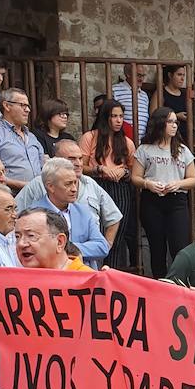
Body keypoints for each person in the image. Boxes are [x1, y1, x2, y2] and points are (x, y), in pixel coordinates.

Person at [131, 106, 195, 277]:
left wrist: (178, 184)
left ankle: (179, 282)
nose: (174, 126)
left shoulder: (183, 150)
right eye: (170, 122)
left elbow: (193, 179)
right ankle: (159, 282)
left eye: (176, 122)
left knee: (180, 245)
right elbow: (135, 177)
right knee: (156, 247)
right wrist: (148, 184)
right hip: (152, 200)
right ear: (160, 123)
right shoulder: (145, 149)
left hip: (177, 200)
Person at [80, 99, 138, 267]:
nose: (119, 120)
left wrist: (124, 172)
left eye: (121, 116)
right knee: (95, 231)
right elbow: (80, 166)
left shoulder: (127, 142)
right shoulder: (89, 137)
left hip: (120, 188)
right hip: (96, 184)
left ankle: (111, 273)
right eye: (114, 116)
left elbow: (133, 171)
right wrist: (100, 169)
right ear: (105, 117)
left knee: (117, 234)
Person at [30, 157, 111, 267]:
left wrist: (68, 248)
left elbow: (102, 247)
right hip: (49, 278)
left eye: (75, 183)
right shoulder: (33, 215)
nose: (74, 189)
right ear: (50, 187)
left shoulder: (83, 211)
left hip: (84, 278)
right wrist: (84, 248)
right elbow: (34, 251)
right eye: (68, 184)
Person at [0, 88, 45, 192]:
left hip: (39, 197)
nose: (27, 110)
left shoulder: (32, 137)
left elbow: (43, 167)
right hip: (7, 198)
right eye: (22, 105)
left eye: (28, 106)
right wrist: (28, 186)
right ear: (6, 106)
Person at [14, 207, 90, 272]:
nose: (21, 244)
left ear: (60, 242)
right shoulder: (14, 282)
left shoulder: (89, 281)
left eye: (31, 235)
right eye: (17, 237)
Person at [160, 65, 190, 143]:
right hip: (167, 138)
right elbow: (154, 115)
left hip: (183, 137)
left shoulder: (184, 94)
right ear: (170, 75)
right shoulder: (161, 93)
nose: (182, 78)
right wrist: (176, 116)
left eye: (184, 75)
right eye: (179, 75)